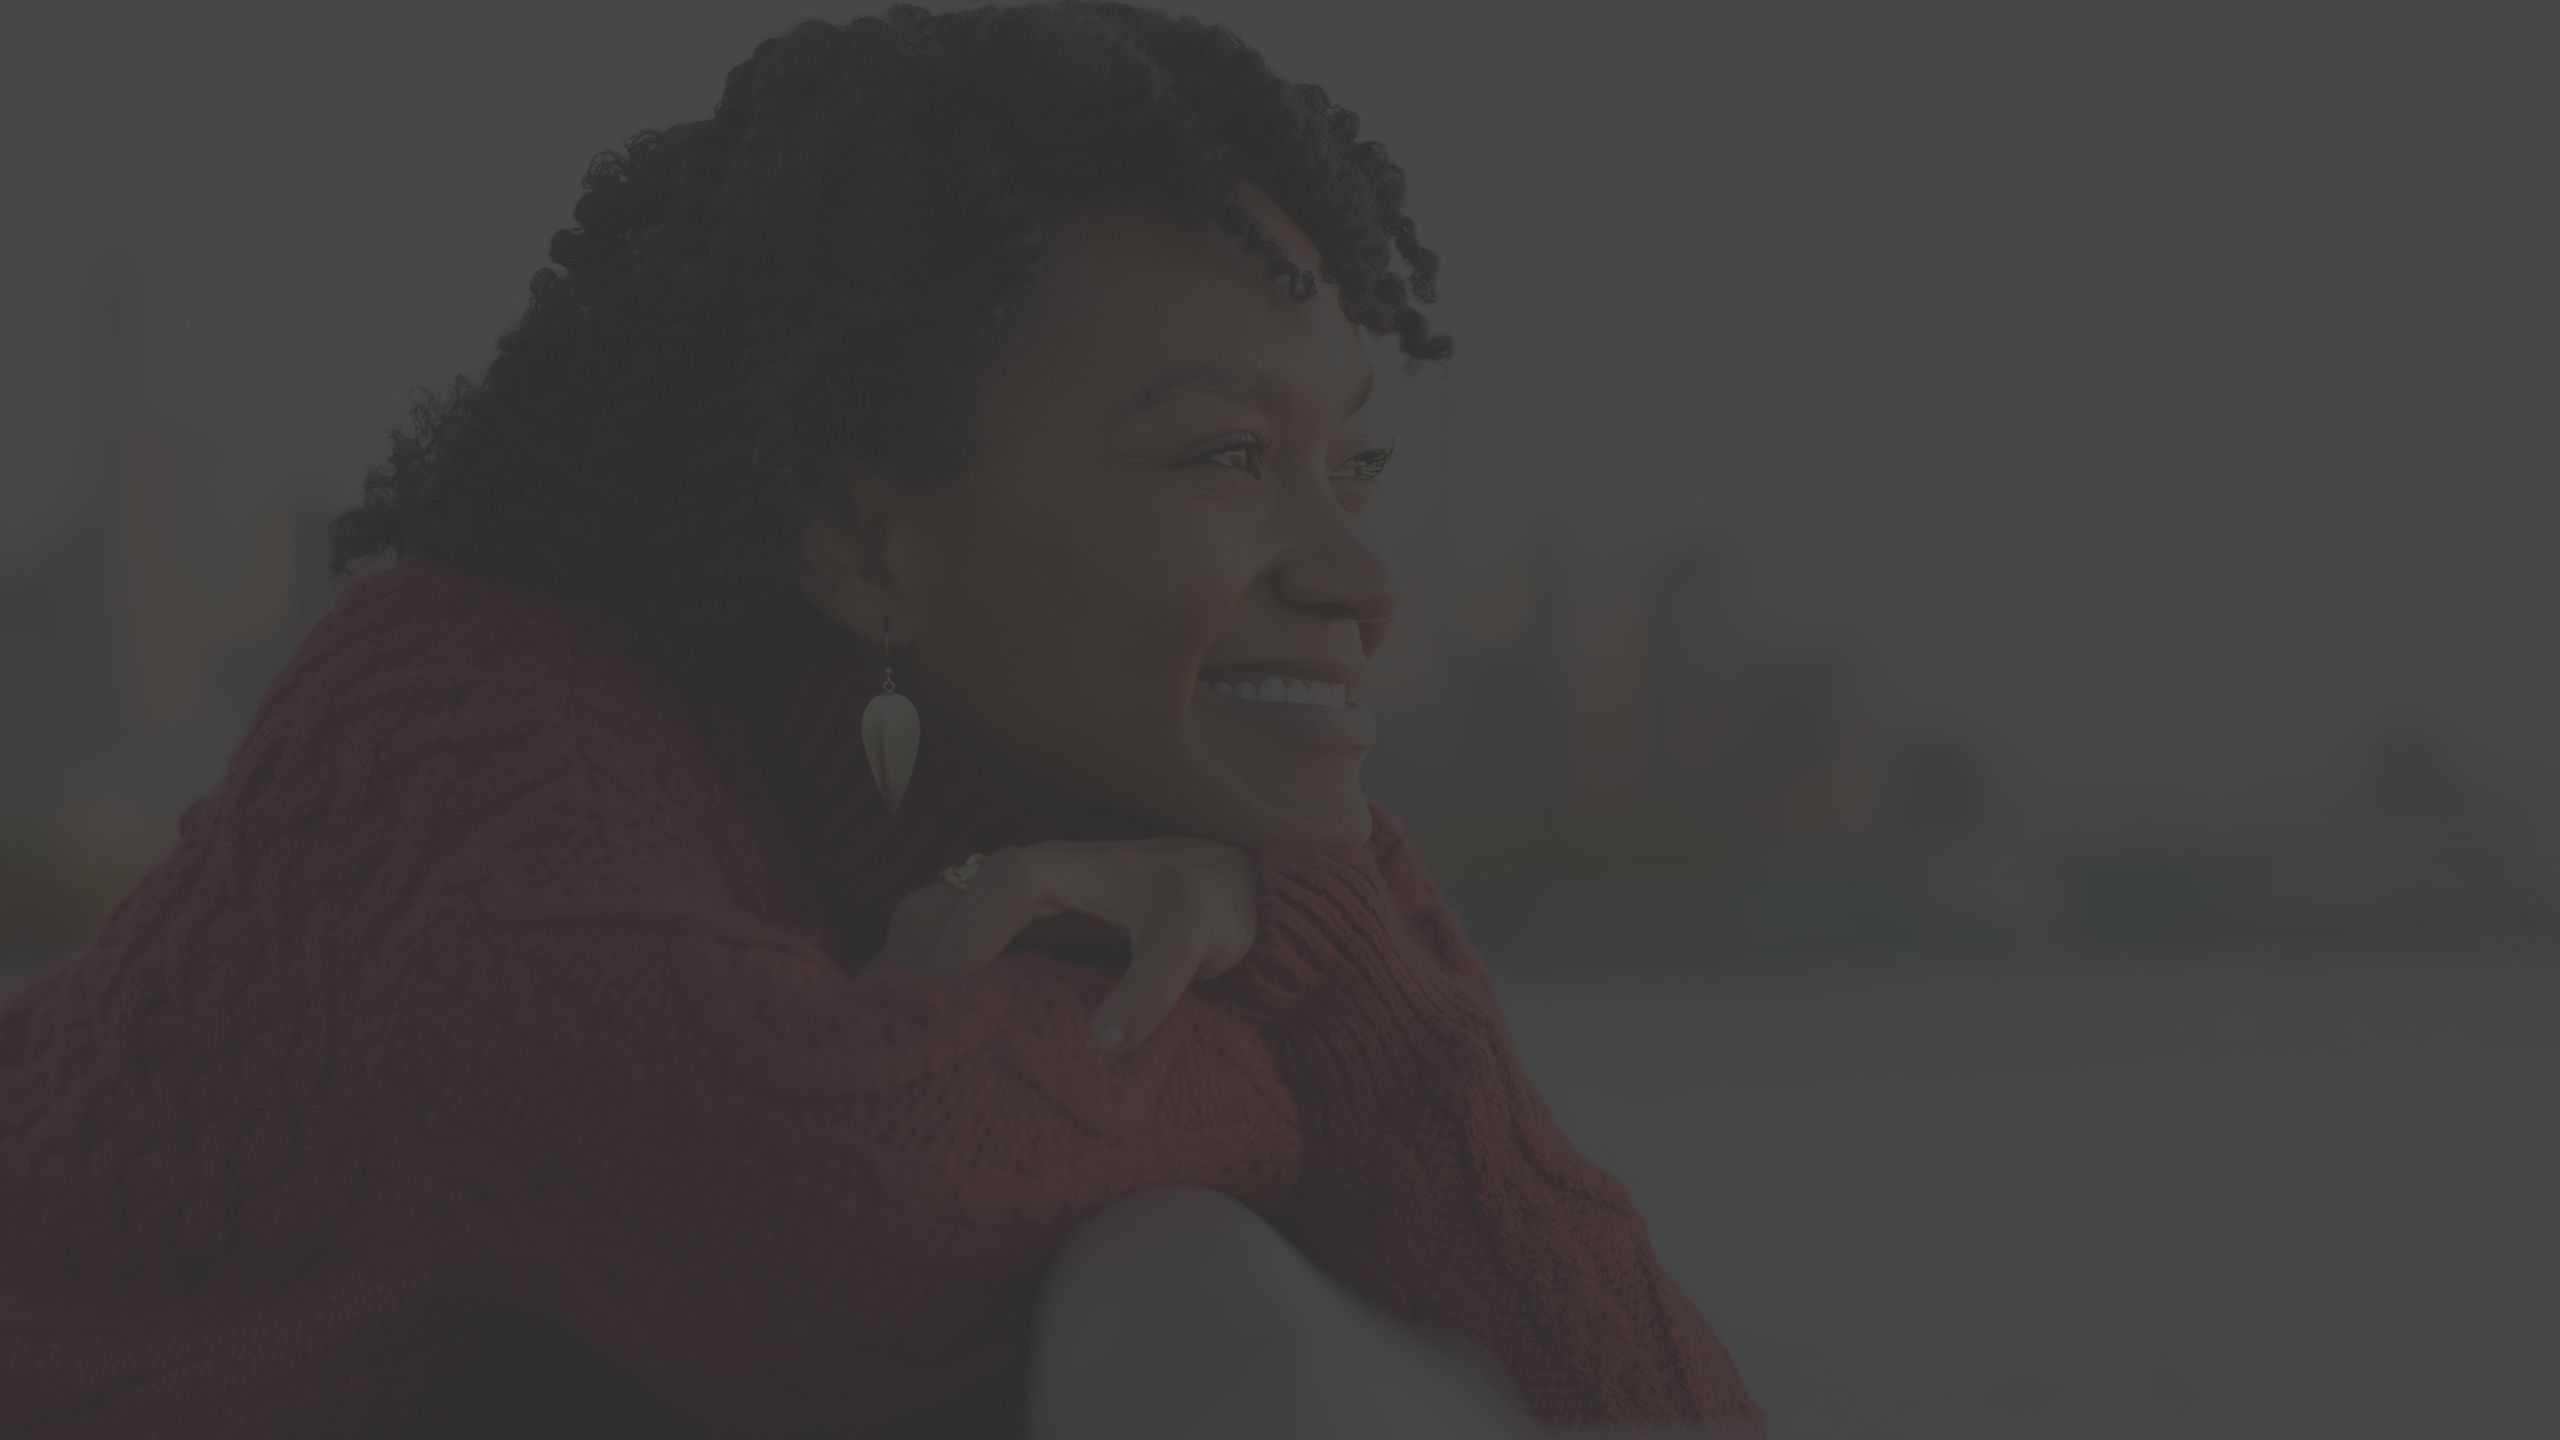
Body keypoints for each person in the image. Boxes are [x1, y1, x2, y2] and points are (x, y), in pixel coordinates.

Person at [0, 3, 1766, 1435]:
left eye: (1353, 461)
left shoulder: (1148, 822)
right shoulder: (465, 738)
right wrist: (1262, 1048)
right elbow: (834, 1211)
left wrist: (1305, 935)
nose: (1360, 571)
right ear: (864, 538)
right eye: (1228, 457)